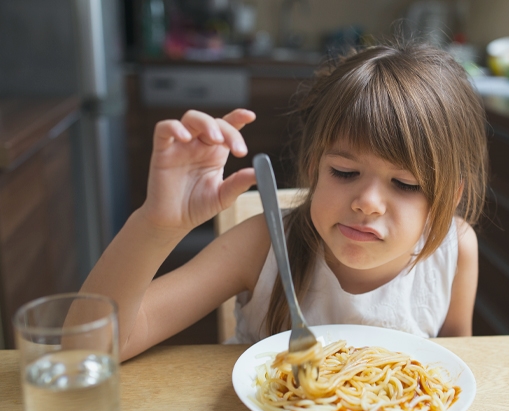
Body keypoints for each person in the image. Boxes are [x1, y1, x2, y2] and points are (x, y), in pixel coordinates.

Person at [80, 41, 488, 361]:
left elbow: (453, 364)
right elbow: (90, 348)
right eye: (344, 173)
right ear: (313, 166)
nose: (367, 203)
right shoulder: (262, 247)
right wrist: (155, 225)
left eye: (404, 184)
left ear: (447, 198)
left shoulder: (454, 249)